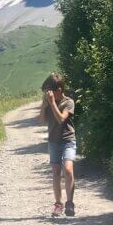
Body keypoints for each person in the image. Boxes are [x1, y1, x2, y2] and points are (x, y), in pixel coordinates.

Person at [39, 73, 76, 217]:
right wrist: (44, 105)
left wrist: (53, 103)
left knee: (67, 170)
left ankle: (70, 203)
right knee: (55, 172)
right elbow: (42, 121)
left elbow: (61, 119)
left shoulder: (68, 102)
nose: (48, 93)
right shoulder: (48, 103)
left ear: (59, 89)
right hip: (53, 142)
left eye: (50, 90)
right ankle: (58, 204)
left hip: (68, 140)